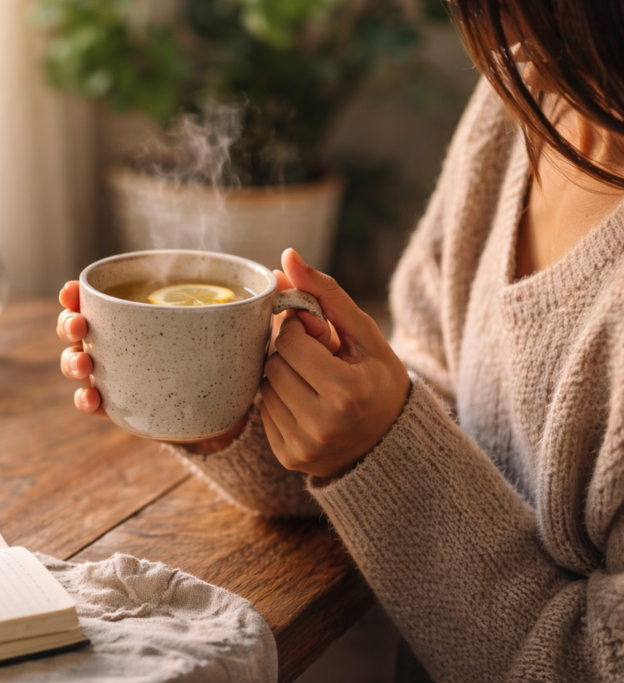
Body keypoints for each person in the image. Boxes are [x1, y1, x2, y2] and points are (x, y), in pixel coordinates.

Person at [57, 1, 624, 681]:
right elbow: (441, 395)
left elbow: (592, 661)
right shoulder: (530, 90)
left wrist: (380, 449)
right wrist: (235, 405)